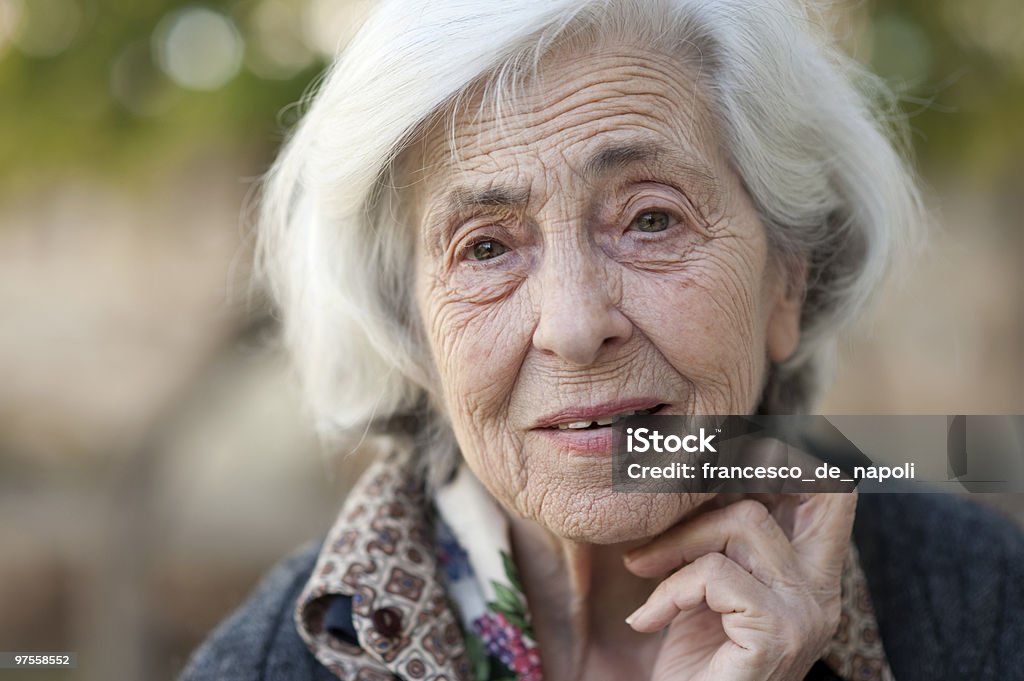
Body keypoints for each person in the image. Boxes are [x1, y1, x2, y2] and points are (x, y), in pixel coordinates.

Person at [179, 0, 1024, 679]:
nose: (577, 327)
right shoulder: (277, 659)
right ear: (412, 327)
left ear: (787, 280)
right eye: (486, 247)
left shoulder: (983, 604)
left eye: (651, 219)